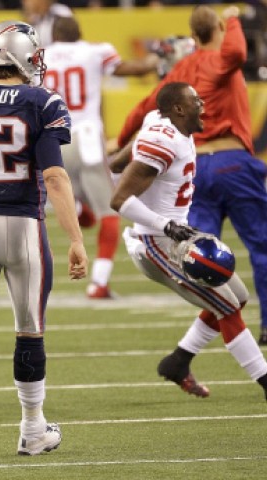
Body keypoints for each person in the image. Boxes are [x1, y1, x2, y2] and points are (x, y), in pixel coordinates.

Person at [0, 20, 88, 463]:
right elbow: (55, 177)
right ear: (20, 54)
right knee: (29, 329)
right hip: (23, 227)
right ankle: (32, 430)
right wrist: (76, 240)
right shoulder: (42, 101)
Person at [115, 5, 267, 344]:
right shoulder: (220, 57)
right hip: (232, 164)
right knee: (262, 246)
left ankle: (187, 353)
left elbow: (142, 109)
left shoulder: (179, 71)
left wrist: (120, 146)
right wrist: (233, 18)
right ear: (215, 30)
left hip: (198, 170)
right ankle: (262, 325)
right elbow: (237, 52)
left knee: (200, 259)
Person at [110, 81, 267, 401]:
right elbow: (120, 201)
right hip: (156, 241)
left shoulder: (158, 121)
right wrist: (164, 225)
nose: (203, 106)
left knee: (236, 297)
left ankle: (179, 361)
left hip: (175, 235)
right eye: (196, 101)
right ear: (179, 109)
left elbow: (116, 163)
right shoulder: (162, 140)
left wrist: (122, 159)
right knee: (227, 309)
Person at [43, 16, 160, 298]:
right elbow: (129, 69)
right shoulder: (94, 51)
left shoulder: (40, 56)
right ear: (79, 32)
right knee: (110, 212)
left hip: (53, 140)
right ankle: (99, 283)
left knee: (79, 208)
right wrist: (158, 60)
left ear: (53, 34)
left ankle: (81, 207)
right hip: (86, 138)